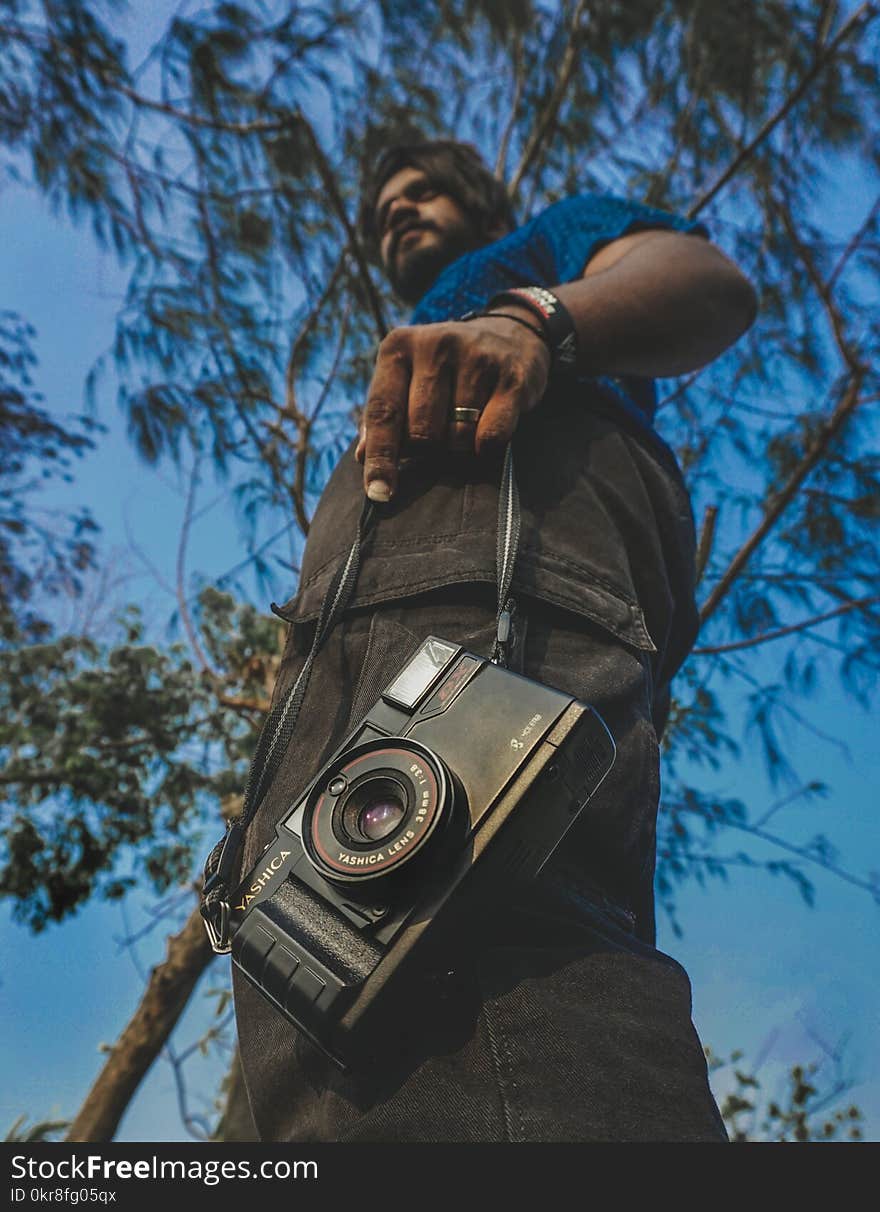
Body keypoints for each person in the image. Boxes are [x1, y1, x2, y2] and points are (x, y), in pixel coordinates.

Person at [231, 138, 757, 1142]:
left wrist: (531, 319)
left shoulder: (549, 239)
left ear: (481, 202)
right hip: (366, 579)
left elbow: (707, 285)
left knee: (464, 901)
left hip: (509, 488)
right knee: (304, 947)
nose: (399, 209)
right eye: (385, 203)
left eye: (423, 190)